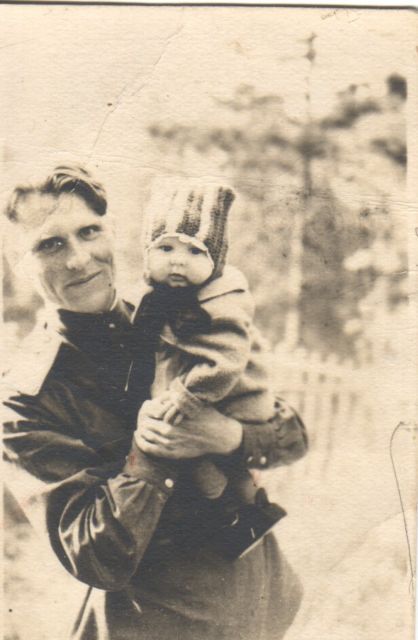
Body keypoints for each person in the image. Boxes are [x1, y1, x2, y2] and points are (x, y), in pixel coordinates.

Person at [2, 165, 308, 640]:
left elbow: (290, 436)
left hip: (263, 605)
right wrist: (154, 448)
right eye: (50, 245)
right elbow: (95, 557)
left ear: (112, 231)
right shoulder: (25, 400)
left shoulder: (173, 309)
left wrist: (229, 436)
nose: (79, 260)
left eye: (89, 232)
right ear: (16, 263)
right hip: (164, 624)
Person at [133, 181, 280, 516]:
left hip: (228, 399)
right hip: (197, 397)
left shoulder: (220, 302)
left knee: (201, 455)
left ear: (217, 260)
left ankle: (238, 506)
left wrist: (185, 396)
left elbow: (226, 361)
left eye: (195, 251)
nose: (178, 262)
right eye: (165, 248)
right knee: (179, 448)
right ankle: (222, 502)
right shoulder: (156, 295)